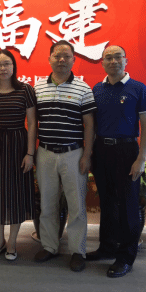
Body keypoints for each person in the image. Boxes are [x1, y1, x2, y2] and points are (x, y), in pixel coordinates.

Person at [86, 45, 146, 278]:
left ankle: (125, 257)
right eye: (108, 58)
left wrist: (141, 159)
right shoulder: (97, 89)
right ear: (102, 62)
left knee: (127, 205)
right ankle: (106, 247)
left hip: (127, 151)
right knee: (107, 202)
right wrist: (90, 154)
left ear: (126, 60)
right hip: (102, 150)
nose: (113, 61)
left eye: (117, 57)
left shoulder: (138, 89)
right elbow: (92, 125)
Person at [33, 40, 95, 272]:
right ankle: (49, 246)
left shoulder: (83, 88)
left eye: (66, 56)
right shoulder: (38, 87)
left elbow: (89, 125)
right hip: (45, 152)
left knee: (76, 205)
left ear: (73, 60)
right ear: (49, 59)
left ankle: (78, 251)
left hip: (73, 153)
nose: (61, 60)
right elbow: (33, 122)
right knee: (47, 203)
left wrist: (86, 155)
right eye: (57, 56)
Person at [0, 50, 37, 261]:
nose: (2, 68)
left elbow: (32, 123)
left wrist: (30, 153)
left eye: (6, 64)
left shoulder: (25, 90)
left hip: (18, 145)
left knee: (16, 194)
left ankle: (12, 242)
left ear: (14, 66)